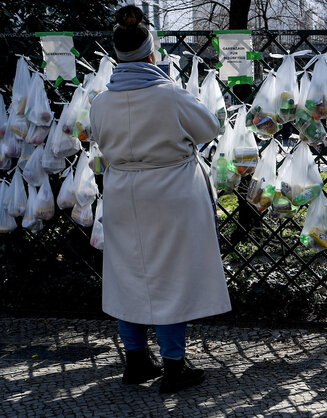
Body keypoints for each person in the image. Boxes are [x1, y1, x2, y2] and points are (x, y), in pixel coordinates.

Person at [89, 5, 231, 394]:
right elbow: (209, 128)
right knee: (171, 277)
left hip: (122, 193)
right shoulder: (170, 94)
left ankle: (136, 361)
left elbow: (98, 139)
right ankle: (173, 366)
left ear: (117, 56)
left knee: (126, 276)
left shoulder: (101, 102)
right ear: (151, 55)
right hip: (171, 193)